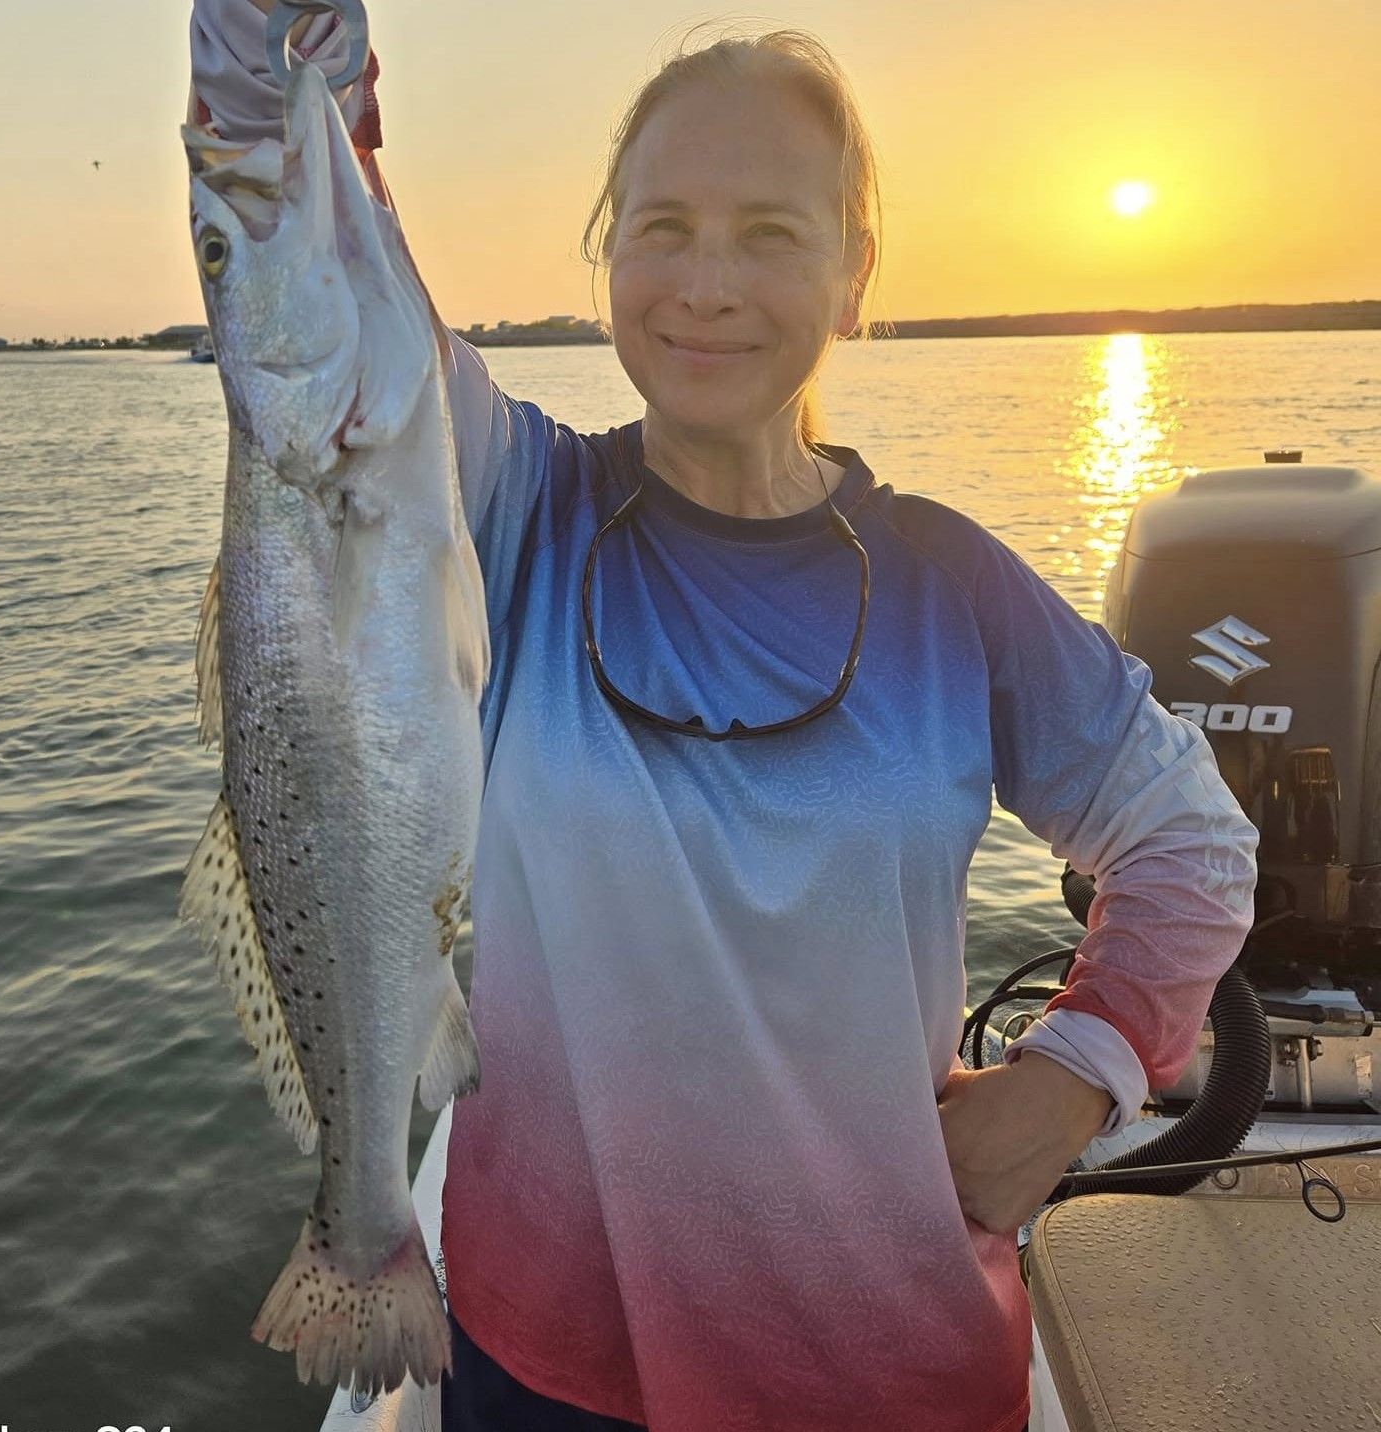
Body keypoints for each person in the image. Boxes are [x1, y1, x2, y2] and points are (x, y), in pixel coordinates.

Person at [188, 6, 1260, 1429]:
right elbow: (289, 240)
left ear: (854, 273)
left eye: (769, 231)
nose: (707, 283)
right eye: (665, 227)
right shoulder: (504, 503)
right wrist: (288, 63)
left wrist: (1075, 1078)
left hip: (890, 1372)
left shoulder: (953, 586)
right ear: (606, 255)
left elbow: (1194, 841)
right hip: (541, 1364)